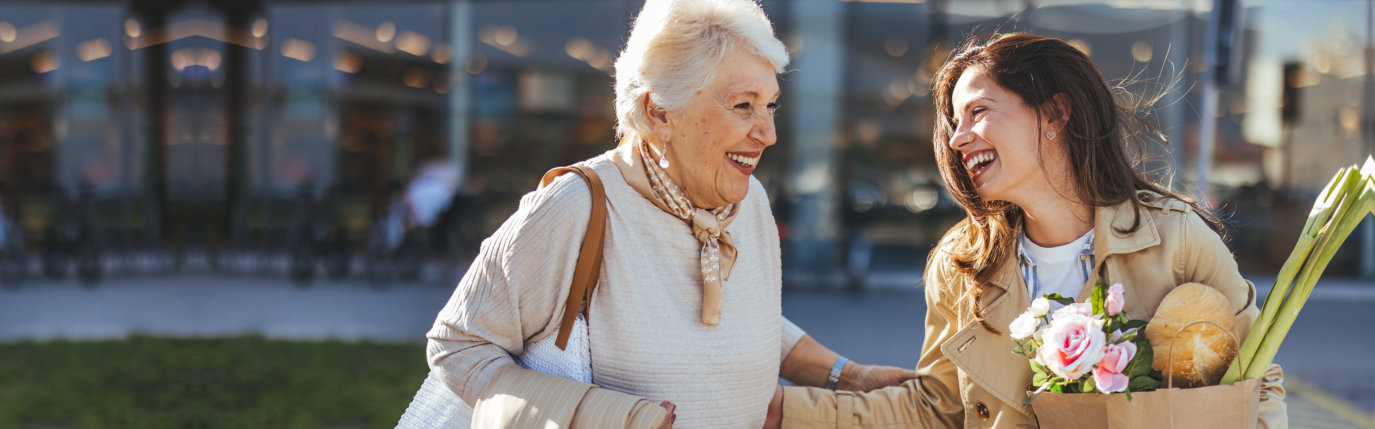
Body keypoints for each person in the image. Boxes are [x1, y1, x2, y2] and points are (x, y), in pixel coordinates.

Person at [424, 1, 913, 428]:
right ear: (659, 112)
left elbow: (745, 317)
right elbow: (458, 344)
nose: (767, 132)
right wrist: (590, 415)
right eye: (744, 105)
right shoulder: (576, 206)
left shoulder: (751, 203)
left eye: (770, 106)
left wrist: (849, 376)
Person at [766, 33, 1288, 428]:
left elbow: (1257, 380)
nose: (958, 139)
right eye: (953, 123)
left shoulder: (1178, 240)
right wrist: (781, 412)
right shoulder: (960, 263)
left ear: (1055, 113)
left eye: (978, 112)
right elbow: (935, 408)